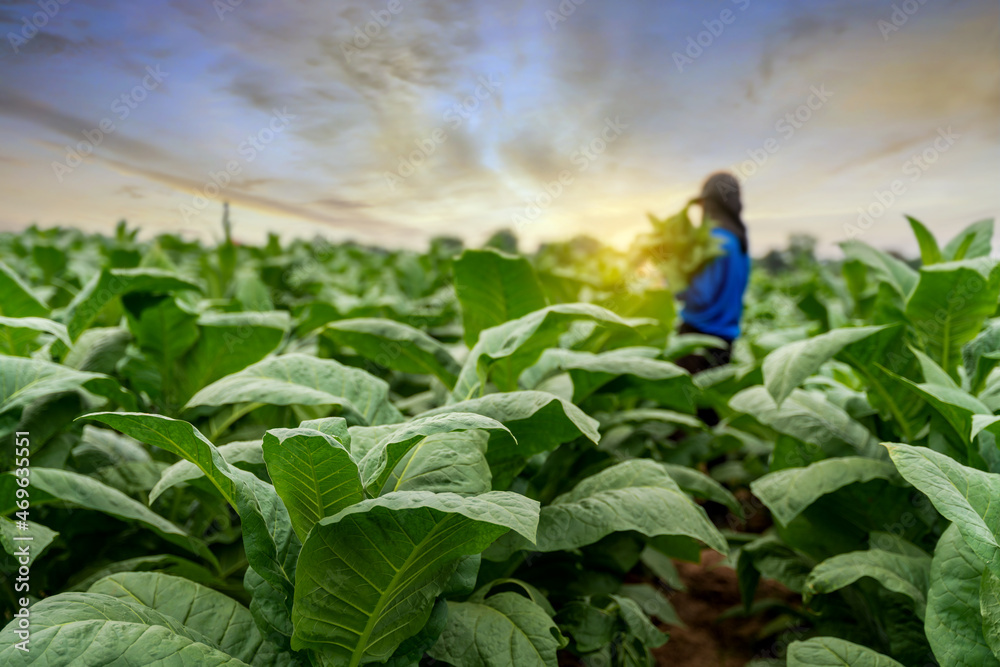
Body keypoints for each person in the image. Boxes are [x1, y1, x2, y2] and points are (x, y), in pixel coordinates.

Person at [675, 172, 751, 375]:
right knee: (711, 402)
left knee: (688, 404)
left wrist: (674, 280)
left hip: (698, 337)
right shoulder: (738, 241)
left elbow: (700, 296)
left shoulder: (713, 239)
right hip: (727, 339)